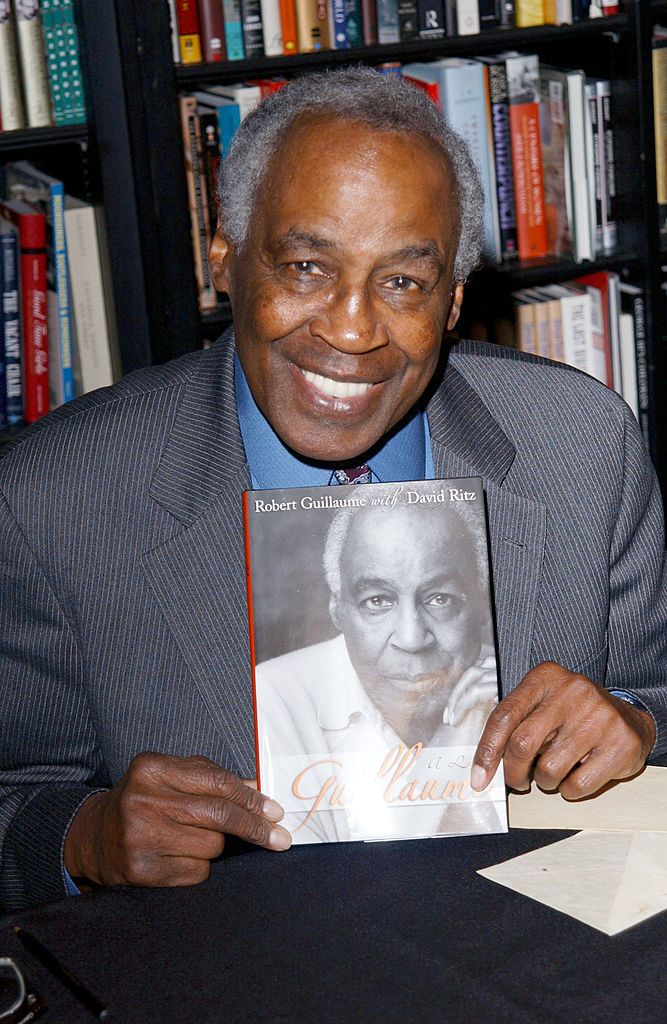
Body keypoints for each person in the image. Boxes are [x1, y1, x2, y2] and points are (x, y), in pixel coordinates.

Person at [0, 68, 664, 912]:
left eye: (401, 283)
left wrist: (634, 721)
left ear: (453, 303)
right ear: (226, 266)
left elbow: (659, 694)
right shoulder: (51, 499)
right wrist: (81, 835)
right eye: (307, 266)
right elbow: (12, 797)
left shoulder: (581, 444)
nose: (351, 330)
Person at [255, 495, 505, 840]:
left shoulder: (508, 686)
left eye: (440, 598)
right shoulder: (274, 696)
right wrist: (457, 740)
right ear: (337, 610)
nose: (412, 638)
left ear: (481, 604)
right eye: (378, 601)